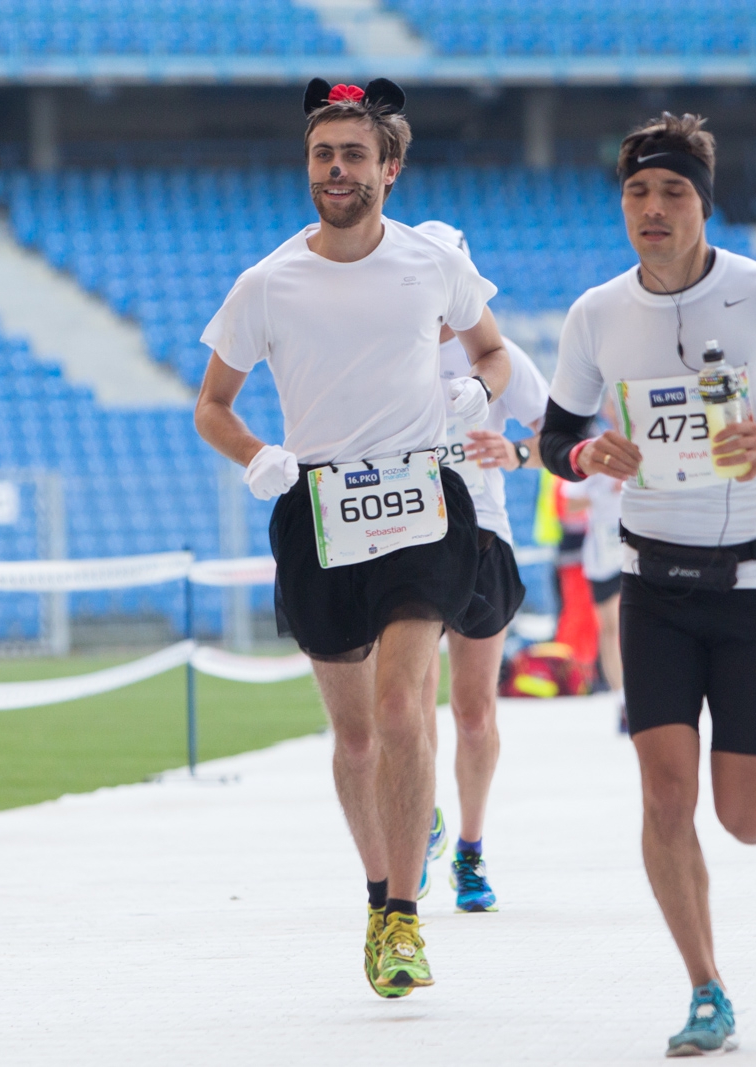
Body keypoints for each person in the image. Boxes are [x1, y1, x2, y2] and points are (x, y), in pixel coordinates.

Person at [538, 112, 756, 1056]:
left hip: (754, 578)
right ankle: (706, 987)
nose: (653, 207)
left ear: (703, 203)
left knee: (739, 810)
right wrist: (585, 454)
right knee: (664, 796)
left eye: (673, 191)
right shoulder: (596, 315)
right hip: (654, 582)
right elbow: (556, 437)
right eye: (638, 192)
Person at [194, 78, 510, 997]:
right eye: (323, 154)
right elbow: (213, 406)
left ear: (390, 168)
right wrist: (257, 455)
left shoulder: (431, 263)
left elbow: (493, 352)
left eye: (355, 154)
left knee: (406, 706)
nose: (337, 169)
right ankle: (379, 897)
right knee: (359, 736)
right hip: (319, 511)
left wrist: (475, 390)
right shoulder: (266, 283)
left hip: (421, 502)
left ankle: (405, 918)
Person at [409, 218, 550, 914]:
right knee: (406, 707)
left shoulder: (498, 356)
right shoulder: (390, 348)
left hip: (483, 537)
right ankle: (419, 819)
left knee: (472, 711)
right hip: (405, 538)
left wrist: (517, 454)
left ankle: (469, 847)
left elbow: (563, 433)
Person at [560, 403, 626, 731]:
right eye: (610, 402)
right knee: (611, 627)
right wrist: (602, 495)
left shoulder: (650, 441)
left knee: (638, 625)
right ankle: (623, 700)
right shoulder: (596, 447)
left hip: (640, 546)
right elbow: (569, 504)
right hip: (603, 551)